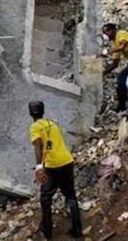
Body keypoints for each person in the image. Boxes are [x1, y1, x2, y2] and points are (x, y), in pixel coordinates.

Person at [28, 101, 83, 240]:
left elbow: (38, 146)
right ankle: (77, 230)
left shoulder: (34, 127)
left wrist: (39, 167)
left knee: (46, 198)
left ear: (30, 113)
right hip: (67, 161)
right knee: (71, 195)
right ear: (43, 111)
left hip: (52, 166)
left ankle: (47, 231)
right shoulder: (53, 123)